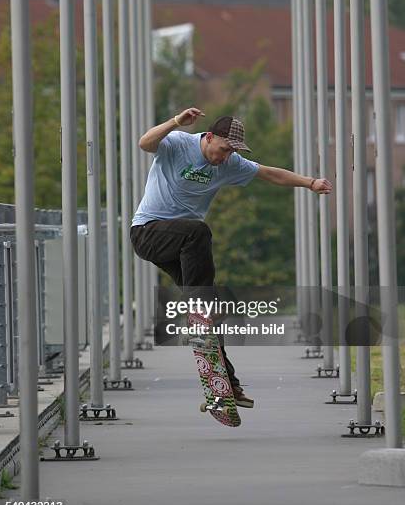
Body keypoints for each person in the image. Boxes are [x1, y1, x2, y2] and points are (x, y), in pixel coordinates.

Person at [130, 107, 332, 408]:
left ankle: (225, 387)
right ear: (209, 137)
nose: (224, 158)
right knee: (198, 233)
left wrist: (309, 182)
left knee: (211, 314)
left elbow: (269, 173)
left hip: (183, 244)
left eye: (229, 154)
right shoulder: (178, 143)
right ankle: (198, 312)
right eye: (223, 150)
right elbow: (145, 143)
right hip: (149, 232)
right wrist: (174, 122)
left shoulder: (230, 163)